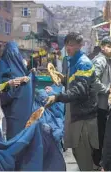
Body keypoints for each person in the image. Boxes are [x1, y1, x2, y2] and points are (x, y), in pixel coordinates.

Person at [45, 32, 99, 171]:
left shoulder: (84, 63)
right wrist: (62, 78)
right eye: (67, 44)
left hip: (84, 118)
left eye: (72, 45)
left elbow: (79, 90)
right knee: (77, 153)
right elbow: (73, 83)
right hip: (75, 115)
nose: (68, 48)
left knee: (85, 158)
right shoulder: (73, 61)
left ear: (80, 46)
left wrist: (57, 97)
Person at [0, 41, 35, 140]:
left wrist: (30, 74)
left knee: (23, 130)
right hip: (12, 107)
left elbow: (25, 75)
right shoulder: (3, 64)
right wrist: (17, 83)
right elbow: (3, 85)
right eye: (11, 51)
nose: (13, 53)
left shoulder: (18, 63)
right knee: (14, 131)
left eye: (15, 51)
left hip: (23, 108)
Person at [91, 36, 111, 166]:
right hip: (98, 104)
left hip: (102, 103)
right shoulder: (100, 61)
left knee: (101, 132)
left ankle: (98, 160)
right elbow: (94, 81)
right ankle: (97, 162)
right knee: (100, 133)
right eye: (109, 47)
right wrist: (106, 89)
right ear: (102, 47)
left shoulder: (107, 60)